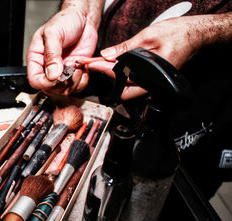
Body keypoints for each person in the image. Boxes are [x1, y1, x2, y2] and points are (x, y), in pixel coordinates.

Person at [27, 0, 232, 199]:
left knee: (171, 195)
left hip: (203, 89)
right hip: (112, 80)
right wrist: (80, 9)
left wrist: (204, 31)